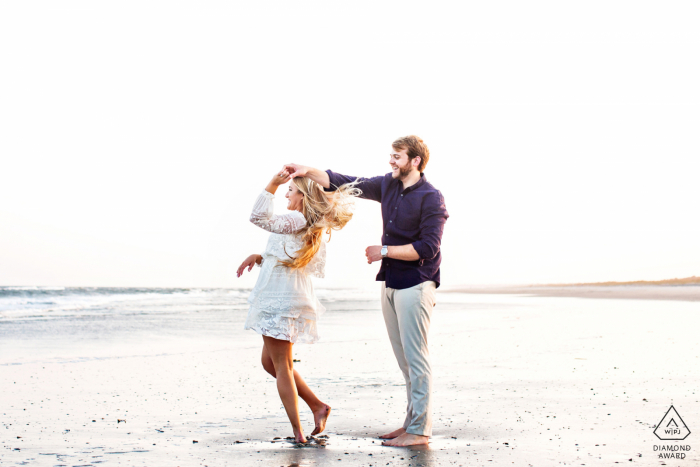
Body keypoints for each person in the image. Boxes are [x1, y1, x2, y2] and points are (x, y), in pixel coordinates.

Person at [284, 135, 449, 447]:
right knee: (404, 361)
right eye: (391, 155)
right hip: (391, 282)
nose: (391, 161)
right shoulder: (387, 185)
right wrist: (306, 169)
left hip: (417, 283)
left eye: (397, 157)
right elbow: (343, 181)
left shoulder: (431, 197)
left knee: (417, 359)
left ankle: (420, 430)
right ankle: (410, 424)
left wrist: (384, 250)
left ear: (415, 161)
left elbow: (428, 247)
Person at [237, 168, 359, 443]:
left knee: (281, 366)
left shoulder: (296, 218)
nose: (285, 194)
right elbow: (287, 257)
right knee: (271, 363)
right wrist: (258, 257)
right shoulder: (302, 222)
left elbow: (258, 217)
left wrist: (271, 183)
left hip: (279, 300)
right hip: (283, 296)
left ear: (302, 196)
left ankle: (298, 432)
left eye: (289, 190)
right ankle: (318, 406)